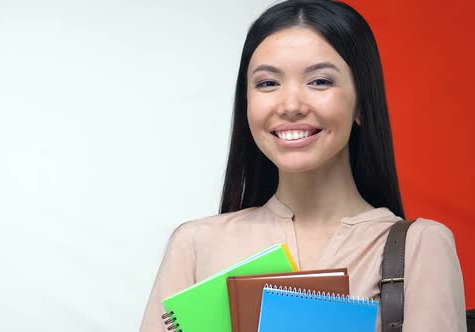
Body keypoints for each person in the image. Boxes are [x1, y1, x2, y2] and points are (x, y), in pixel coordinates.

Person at [139, 0, 467, 331]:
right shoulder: (195, 244)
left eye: (320, 81)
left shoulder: (420, 245)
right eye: (267, 83)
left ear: (362, 104)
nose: (291, 105)